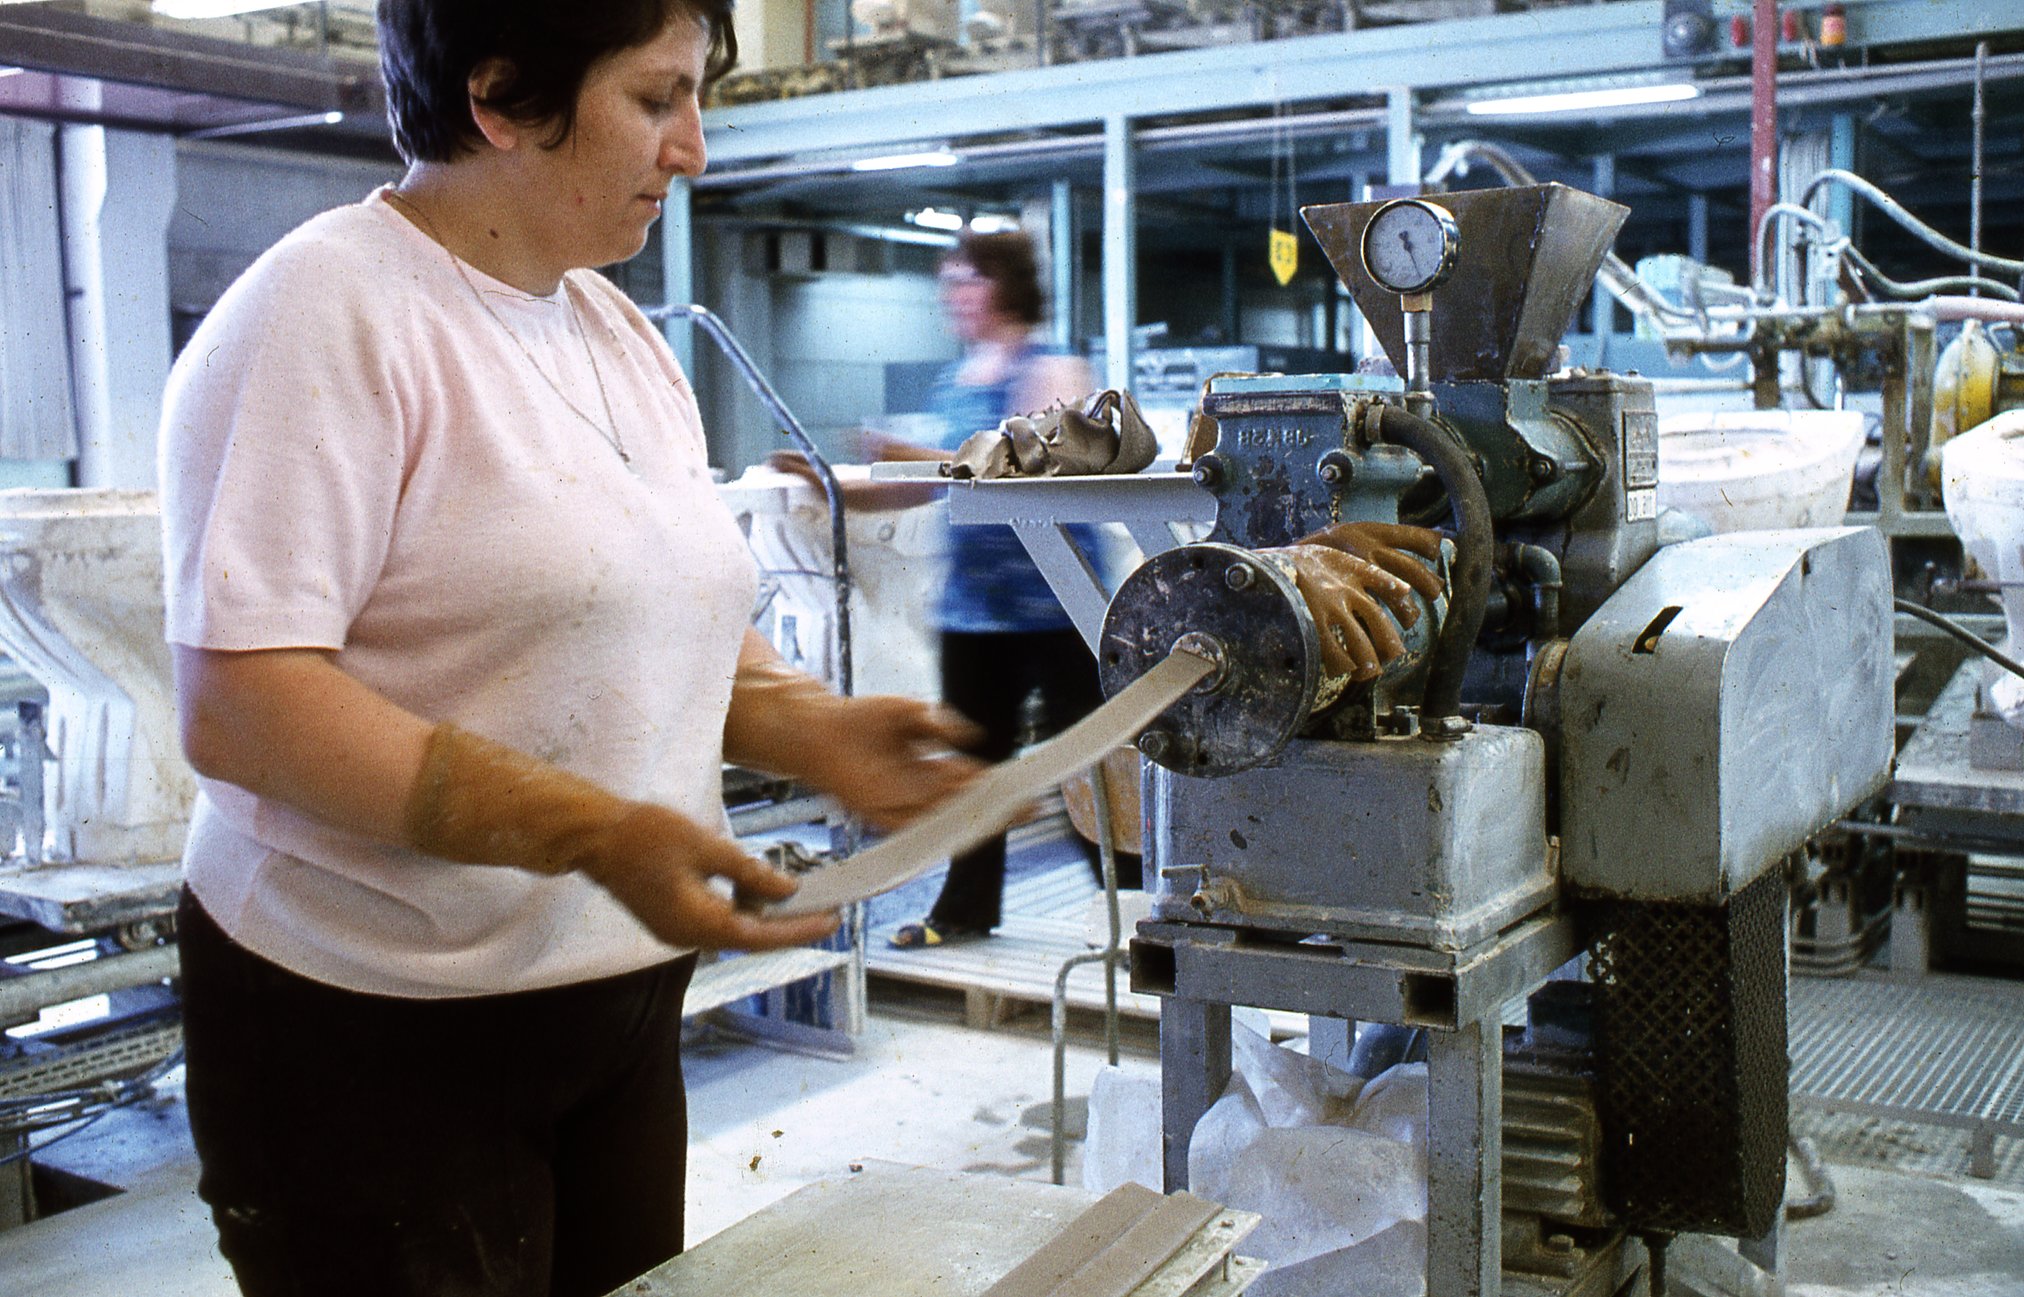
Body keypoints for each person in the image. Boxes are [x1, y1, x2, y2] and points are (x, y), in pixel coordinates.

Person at [158, 3, 978, 1295]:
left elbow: (655, 607)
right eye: (656, 102)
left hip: (611, 1008)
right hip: (372, 1038)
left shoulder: (613, 332)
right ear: (500, 101)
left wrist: (806, 722)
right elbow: (246, 707)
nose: (694, 149)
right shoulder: (327, 315)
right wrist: (591, 830)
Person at [781, 231, 1135, 948]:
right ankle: (964, 908)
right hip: (974, 610)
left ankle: (1132, 914)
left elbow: (1017, 461)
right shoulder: (956, 380)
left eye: (967, 279)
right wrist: (830, 484)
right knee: (973, 765)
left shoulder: (1052, 367)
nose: (954, 296)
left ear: (1006, 283)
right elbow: (925, 485)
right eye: (949, 283)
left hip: (1056, 601)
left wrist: (912, 454)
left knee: (1086, 762)